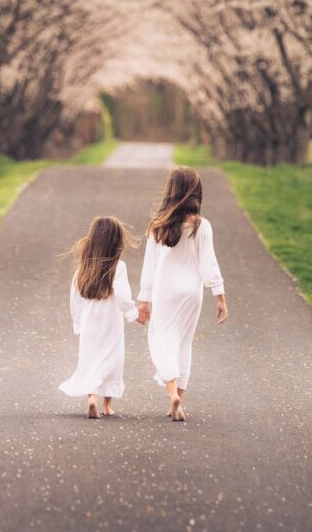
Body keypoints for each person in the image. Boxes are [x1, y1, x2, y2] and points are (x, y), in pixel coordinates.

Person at [137, 167, 228, 422]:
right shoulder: (202, 226)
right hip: (192, 292)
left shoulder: (159, 226)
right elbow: (209, 264)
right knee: (184, 342)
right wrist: (219, 296)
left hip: (166, 291)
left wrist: (145, 300)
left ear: (170, 192)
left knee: (161, 339)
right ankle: (180, 400)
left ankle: (171, 391)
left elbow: (150, 268)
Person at [59, 216, 141, 419]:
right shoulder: (118, 267)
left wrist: (77, 324)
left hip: (89, 320)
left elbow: (74, 299)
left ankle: (92, 398)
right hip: (110, 321)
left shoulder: (83, 267)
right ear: (116, 243)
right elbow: (122, 295)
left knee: (90, 358)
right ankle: (107, 405)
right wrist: (133, 313)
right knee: (112, 359)